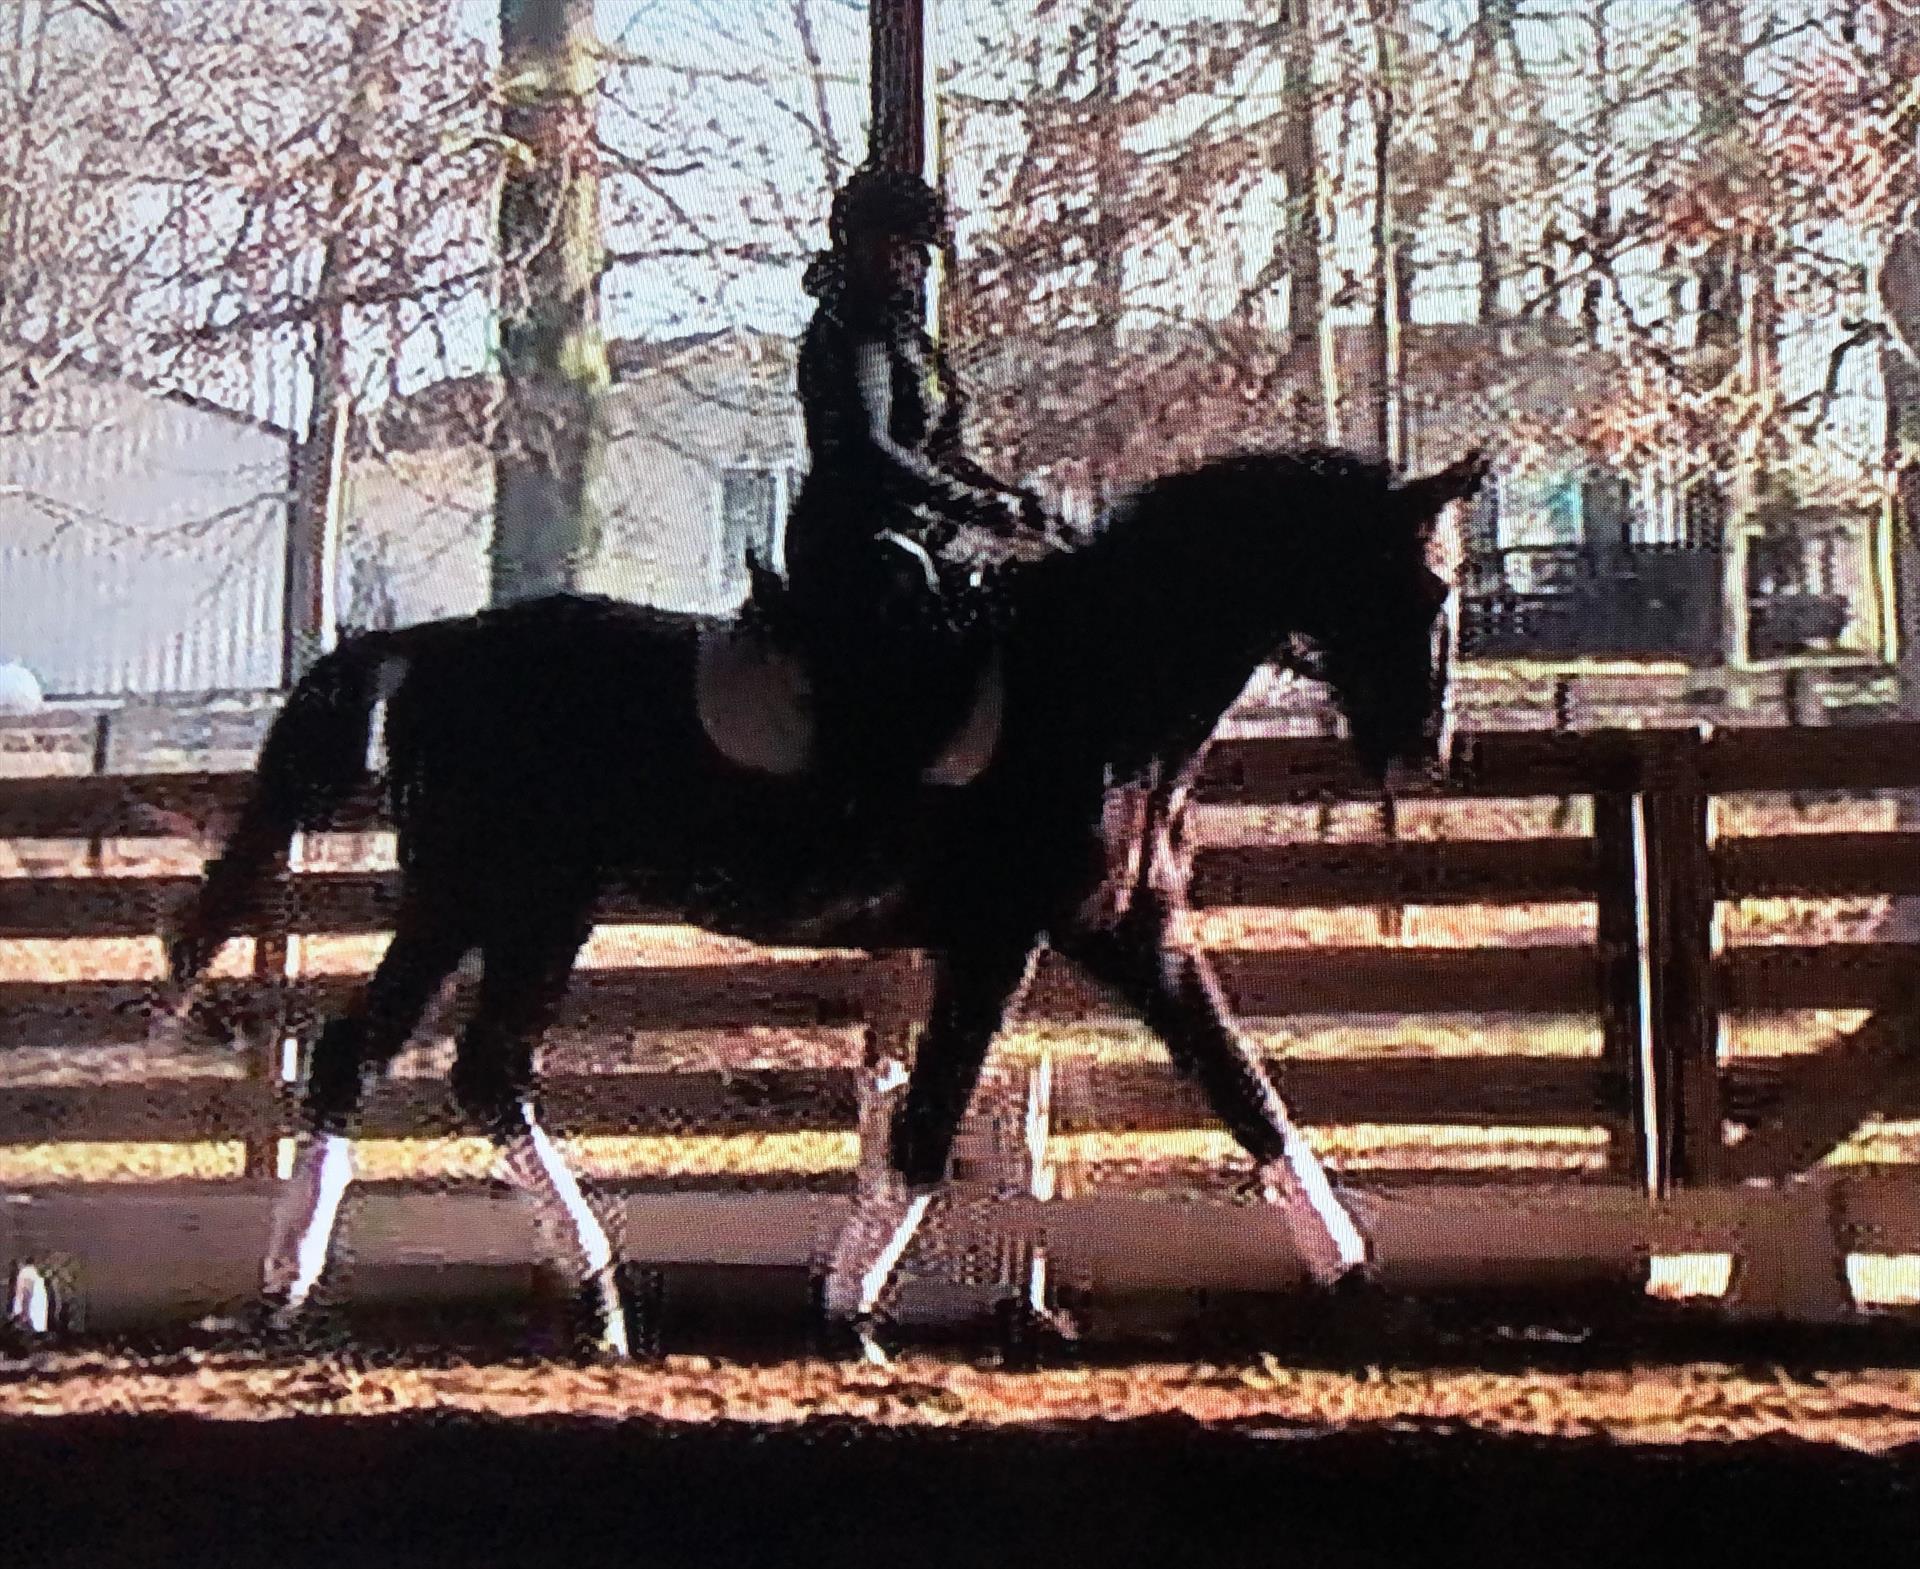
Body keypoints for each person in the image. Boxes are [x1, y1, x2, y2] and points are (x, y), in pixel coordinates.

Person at [764, 164, 1047, 791]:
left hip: (917, 532)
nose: (916, 263)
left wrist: (1008, 498)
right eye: (902, 245)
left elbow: (941, 450)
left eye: (921, 250)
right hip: (854, 540)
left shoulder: (908, 339)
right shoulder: (850, 334)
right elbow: (874, 449)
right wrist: (975, 506)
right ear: (860, 243)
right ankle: (864, 792)